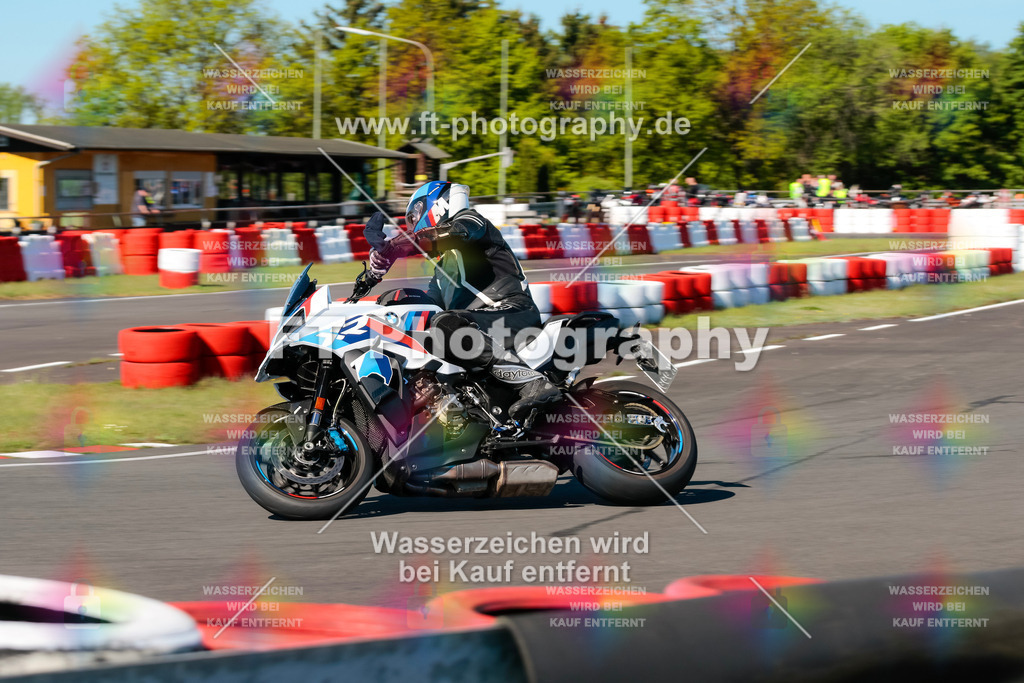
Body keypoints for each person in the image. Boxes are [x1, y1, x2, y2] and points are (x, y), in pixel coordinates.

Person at [366, 181, 560, 425]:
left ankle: (532, 383)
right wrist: (390, 300)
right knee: (422, 328)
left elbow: (456, 232)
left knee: (444, 325)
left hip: (513, 310)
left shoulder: (473, 223)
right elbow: (429, 307)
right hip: (478, 326)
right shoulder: (441, 271)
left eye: (414, 216)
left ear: (436, 205)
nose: (413, 224)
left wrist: (396, 246)